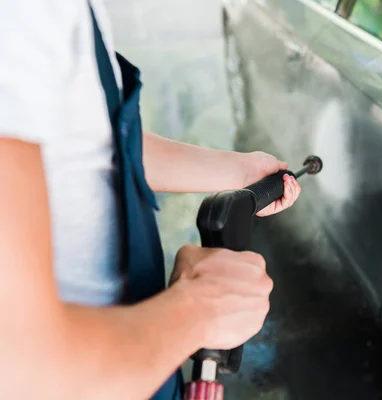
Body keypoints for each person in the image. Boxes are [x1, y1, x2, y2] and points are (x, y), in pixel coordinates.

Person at [0, 1, 301, 399]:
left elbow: (88, 143)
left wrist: (237, 171)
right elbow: (26, 371)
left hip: (139, 355)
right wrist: (200, 308)